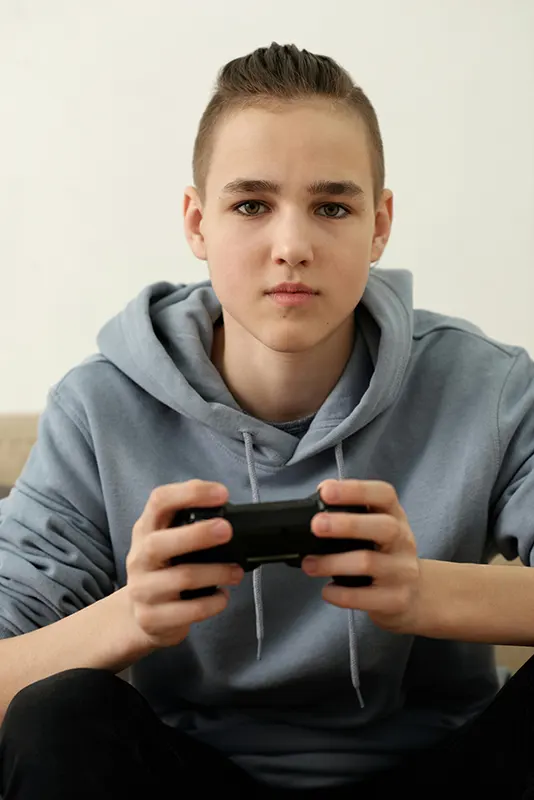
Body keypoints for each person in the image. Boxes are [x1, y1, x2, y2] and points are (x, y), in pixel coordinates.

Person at [1, 41, 534, 800]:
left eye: (332, 206)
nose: (292, 247)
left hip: (445, 775)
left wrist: (425, 594)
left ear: (379, 224)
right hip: (186, 782)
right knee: (58, 713)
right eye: (252, 204)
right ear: (197, 222)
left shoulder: (487, 384)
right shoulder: (98, 408)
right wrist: (131, 617)